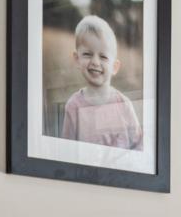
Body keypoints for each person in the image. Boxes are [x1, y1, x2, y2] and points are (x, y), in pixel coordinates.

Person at [58, 14, 143, 149]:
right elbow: (66, 152)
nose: (95, 62)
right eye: (87, 54)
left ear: (115, 67)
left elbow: (139, 148)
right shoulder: (73, 106)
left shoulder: (124, 104)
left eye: (103, 56)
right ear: (76, 59)